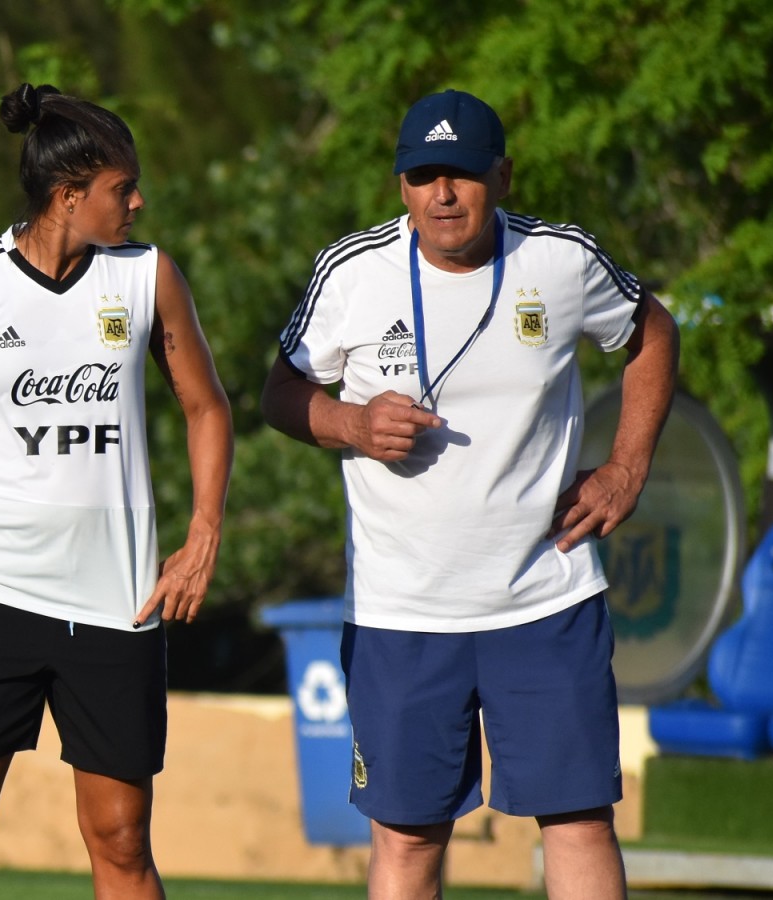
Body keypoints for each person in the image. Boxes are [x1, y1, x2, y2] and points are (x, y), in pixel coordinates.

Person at [260, 89, 679, 899]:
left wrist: (626, 466)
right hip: (402, 612)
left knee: (579, 821)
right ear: (401, 185)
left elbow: (651, 331)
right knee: (409, 840)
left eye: (460, 174)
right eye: (422, 176)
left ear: (503, 175)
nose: (441, 195)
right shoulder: (353, 271)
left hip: (545, 597)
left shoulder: (560, 261)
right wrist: (348, 423)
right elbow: (281, 392)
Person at [0, 83, 233, 900]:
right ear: (67, 195)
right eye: (123, 188)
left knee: (120, 839)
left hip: (118, 602)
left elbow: (206, 407)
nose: (138, 202)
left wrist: (203, 534)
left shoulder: (147, 277)